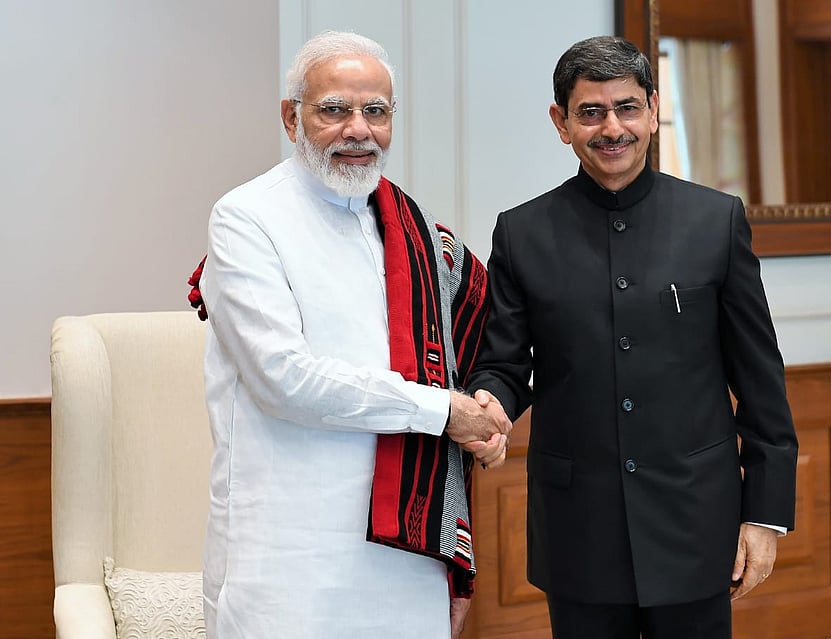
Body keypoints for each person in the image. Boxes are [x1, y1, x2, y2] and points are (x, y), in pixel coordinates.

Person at [465, 35, 799, 638]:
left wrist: (766, 517)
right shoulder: (520, 233)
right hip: (578, 525)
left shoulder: (716, 220)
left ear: (651, 109)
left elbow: (760, 379)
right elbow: (505, 364)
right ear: (561, 123)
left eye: (625, 108)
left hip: (697, 519)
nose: (610, 127)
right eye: (590, 112)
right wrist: (490, 401)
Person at [188, 30, 511, 639]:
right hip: (288, 556)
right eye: (334, 110)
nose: (358, 130)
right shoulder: (246, 217)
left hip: (407, 552)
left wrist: (491, 407)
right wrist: (446, 412)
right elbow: (283, 378)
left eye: (376, 112)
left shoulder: (415, 230)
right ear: (291, 118)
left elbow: (486, 332)